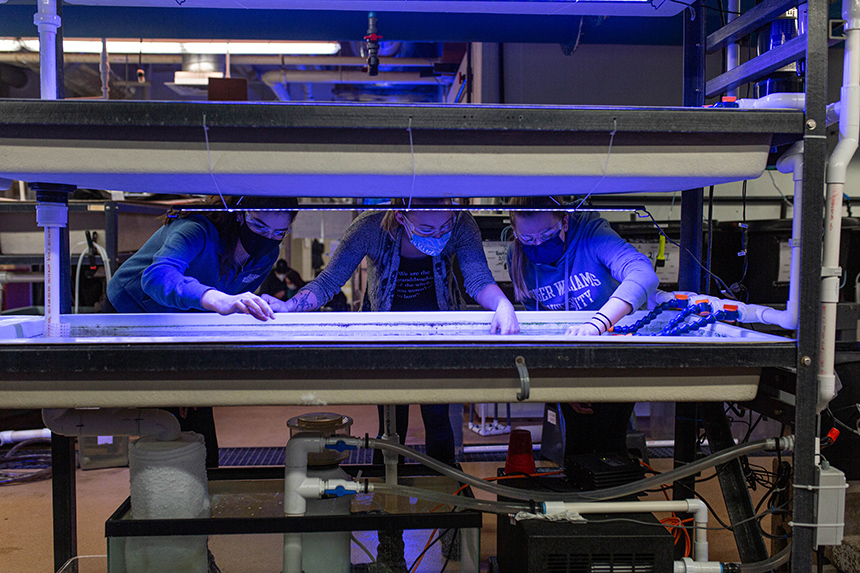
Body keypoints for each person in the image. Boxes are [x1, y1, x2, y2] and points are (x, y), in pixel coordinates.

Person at [106, 194, 298, 467]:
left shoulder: (268, 252)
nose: (268, 237)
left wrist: (192, 368)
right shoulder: (197, 229)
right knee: (170, 416)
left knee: (197, 415)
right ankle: (171, 492)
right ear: (239, 214)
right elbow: (157, 277)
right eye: (259, 226)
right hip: (135, 313)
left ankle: (205, 482)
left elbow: (222, 307)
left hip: (187, 324)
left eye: (280, 232)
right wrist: (217, 298)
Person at [507, 196, 659, 460]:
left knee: (609, 442)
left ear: (564, 221)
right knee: (577, 445)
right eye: (527, 238)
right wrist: (560, 382)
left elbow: (643, 274)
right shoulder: (518, 256)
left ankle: (614, 495)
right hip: (568, 358)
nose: (538, 244)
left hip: (615, 353)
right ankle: (580, 496)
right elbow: (537, 318)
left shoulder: (592, 235)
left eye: (546, 234)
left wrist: (598, 323)